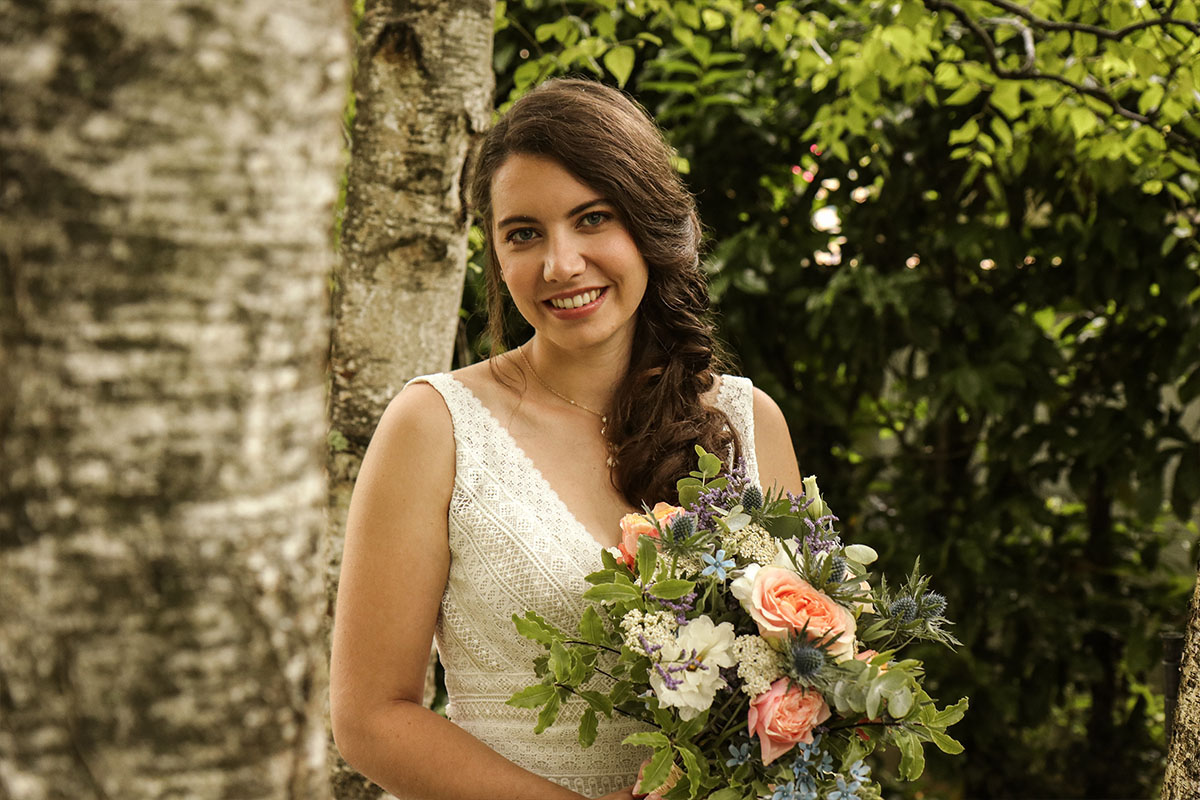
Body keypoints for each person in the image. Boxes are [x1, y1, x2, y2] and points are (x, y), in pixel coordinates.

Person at [329, 78, 805, 800]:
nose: (560, 265)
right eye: (524, 234)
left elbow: (803, 673)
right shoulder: (433, 427)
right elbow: (369, 717)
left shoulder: (748, 423)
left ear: (648, 225)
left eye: (592, 219)